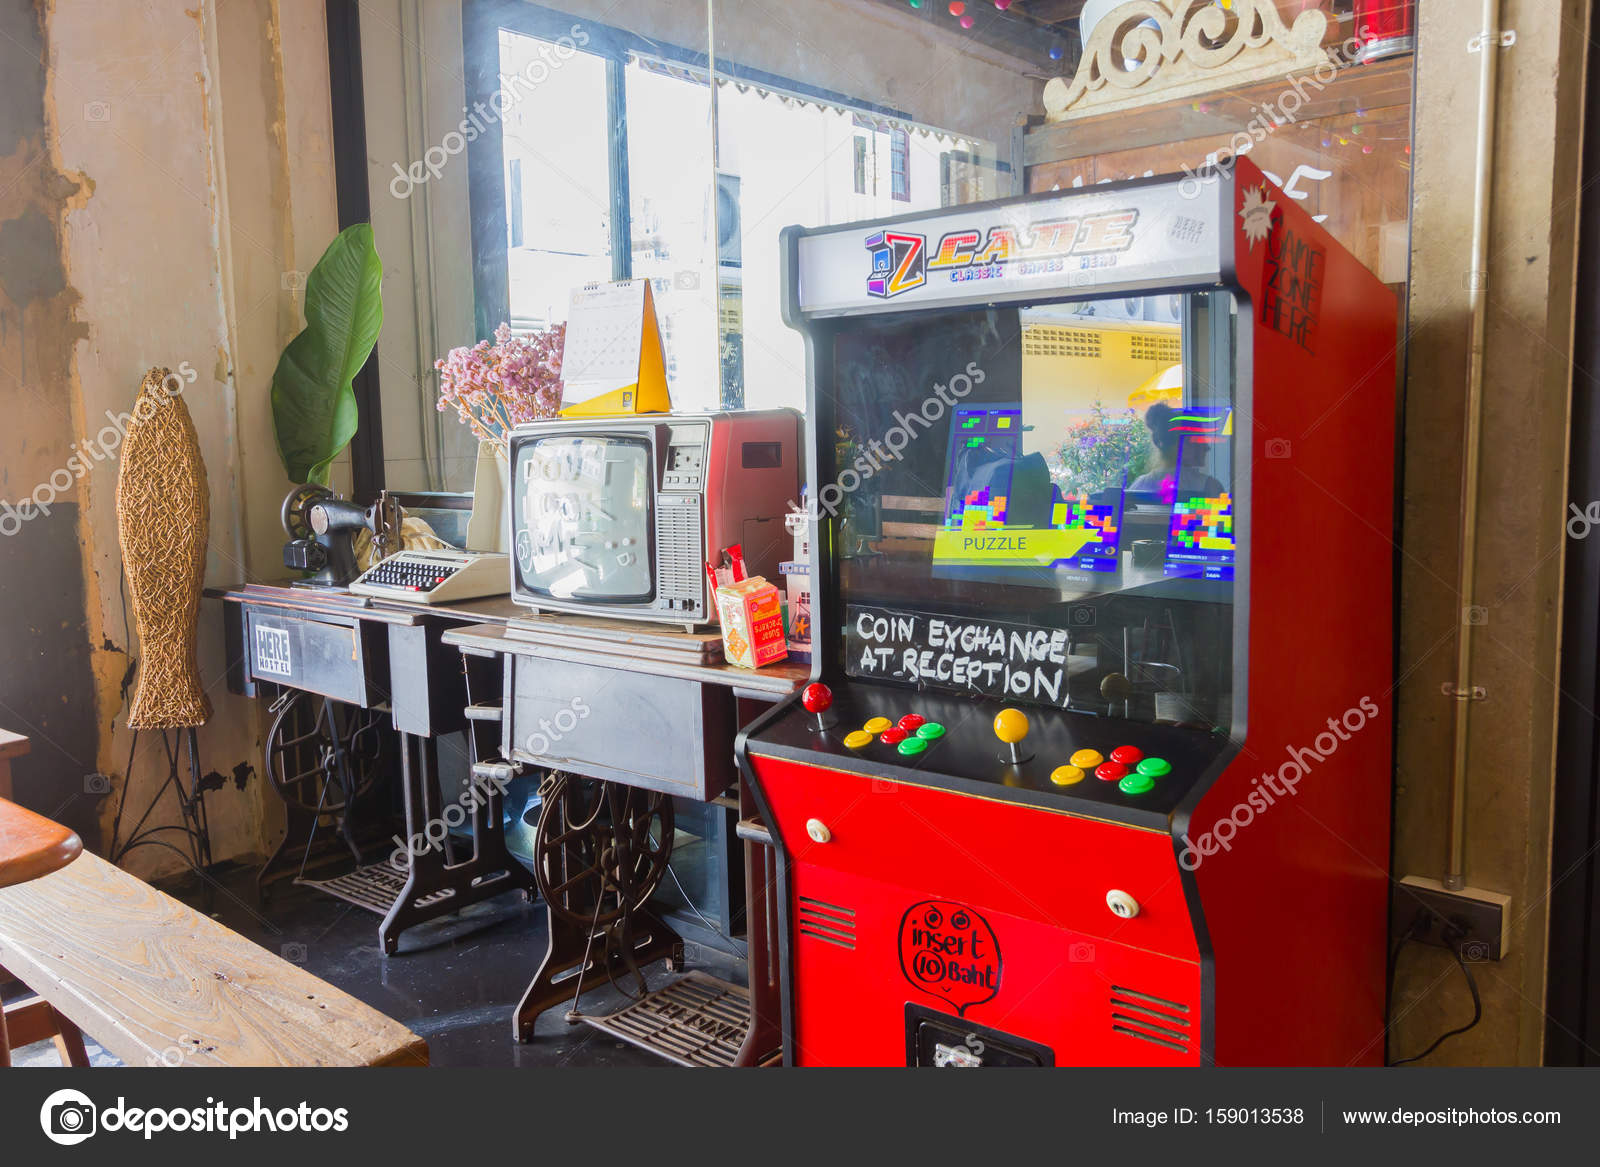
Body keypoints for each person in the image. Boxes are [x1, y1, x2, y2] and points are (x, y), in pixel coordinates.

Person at [1128, 401, 1226, 504]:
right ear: (1184, 445)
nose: (1207, 447)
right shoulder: (1210, 488)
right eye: (1200, 440)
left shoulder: (1140, 485)